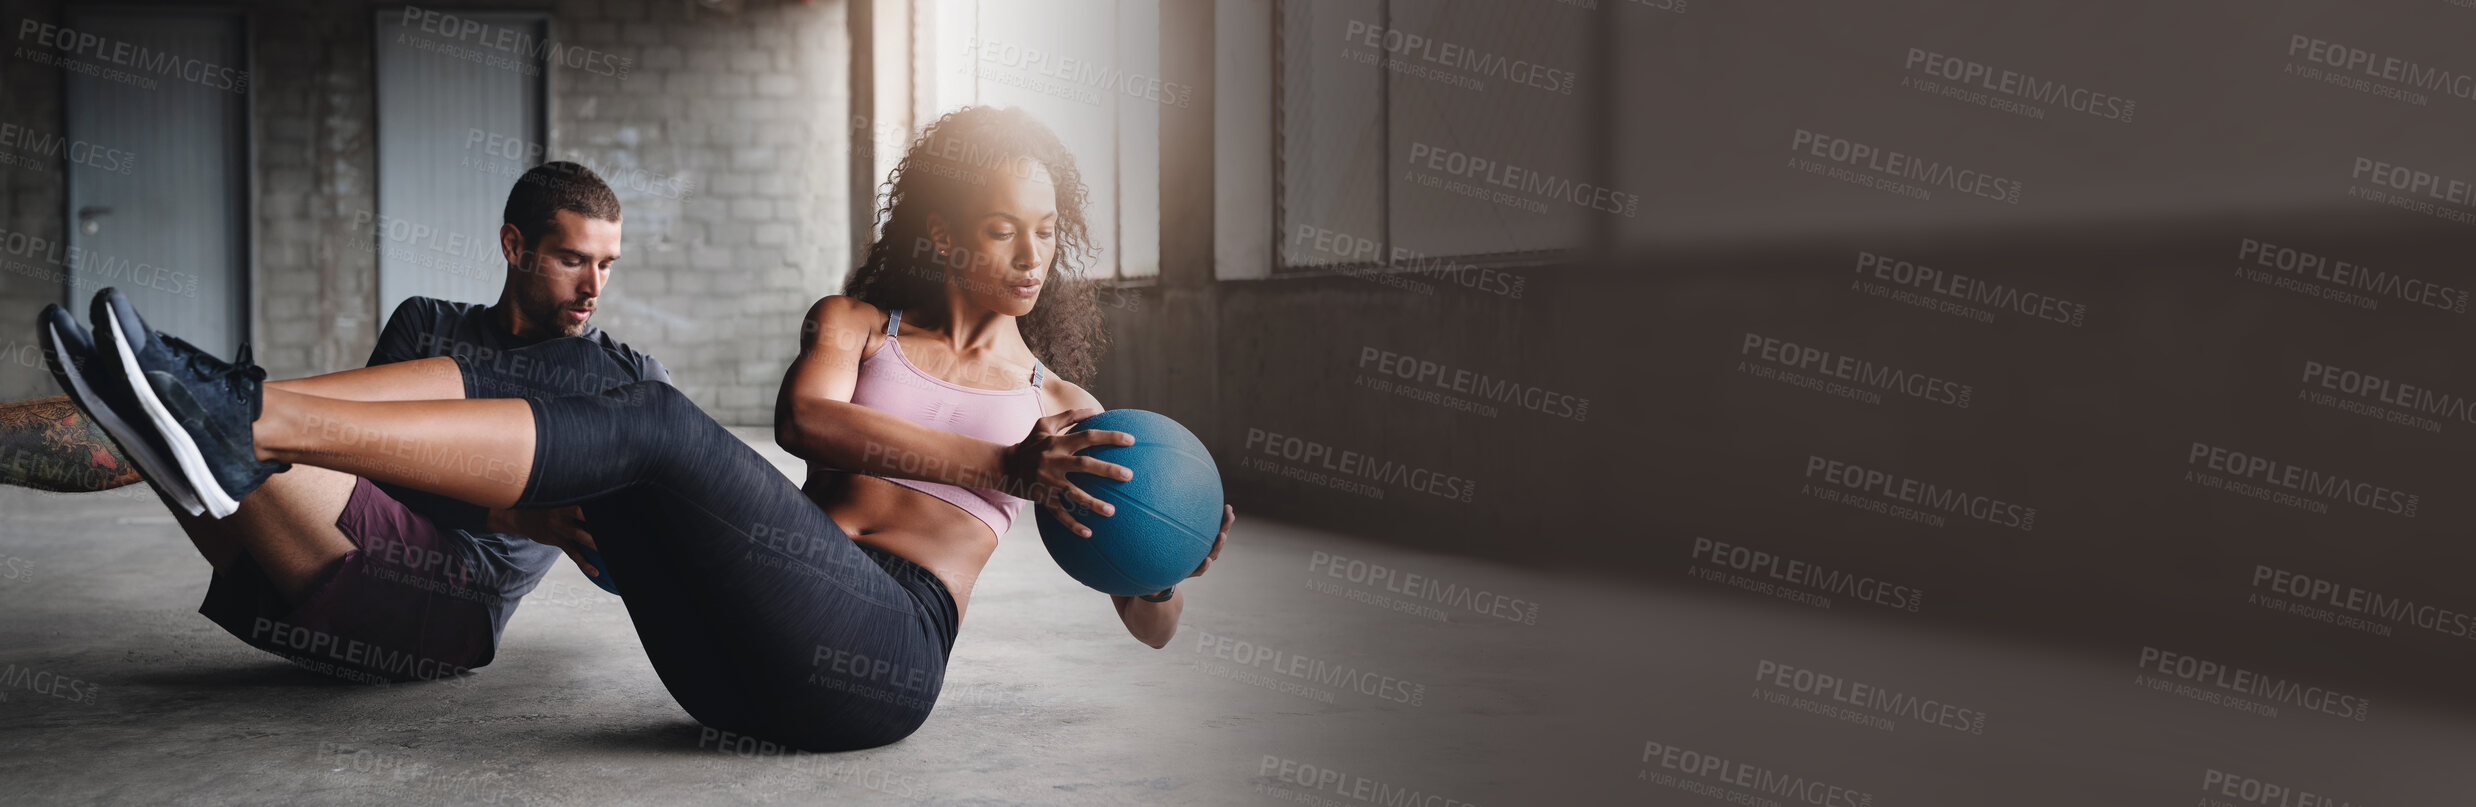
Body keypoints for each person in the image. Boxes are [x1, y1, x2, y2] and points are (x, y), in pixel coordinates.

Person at [38, 105, 1232, 750]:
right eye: (1000, 227)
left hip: (881, 666)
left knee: (640, 409)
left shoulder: (1064, 413)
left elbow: (1149, 619)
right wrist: (998, 463)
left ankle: (240, 415)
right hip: (724, 677)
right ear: (942, 232)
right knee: (592, 394)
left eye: (1044, 232)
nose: (1028, 256)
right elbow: (803, 420)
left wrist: (1176, 559)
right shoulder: (856, 323)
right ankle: (235, 415)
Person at [8, 161, 663, 682]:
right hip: (312, 566)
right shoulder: (427, 322)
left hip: (449, 607)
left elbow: (687, 479)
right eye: (574, 259)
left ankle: (181, 403)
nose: (594, 287)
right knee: (154, 424)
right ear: (514, 246)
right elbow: (356, 460)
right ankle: (158, 409)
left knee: (214, 422)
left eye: (607, 264)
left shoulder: (615, 374)